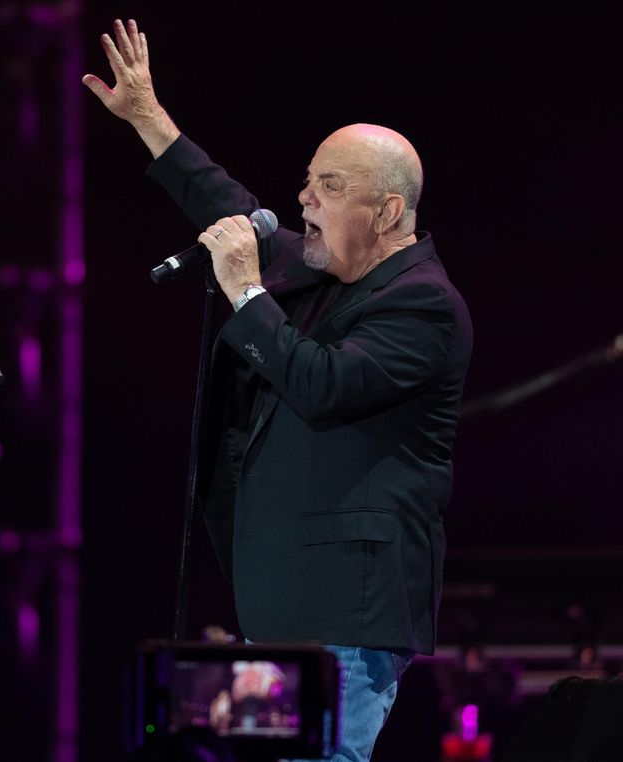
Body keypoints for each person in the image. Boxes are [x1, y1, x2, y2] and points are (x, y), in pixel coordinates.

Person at [84, 19, 473, 762]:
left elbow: (323, 386)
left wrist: (244, 293)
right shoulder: (327, 272)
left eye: (328, 187)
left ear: (386, 211)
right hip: (290, 596)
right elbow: (227, 205)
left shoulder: (425, 305)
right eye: (307, 181)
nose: (304, 201)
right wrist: (147, 118)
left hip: (349, 611)